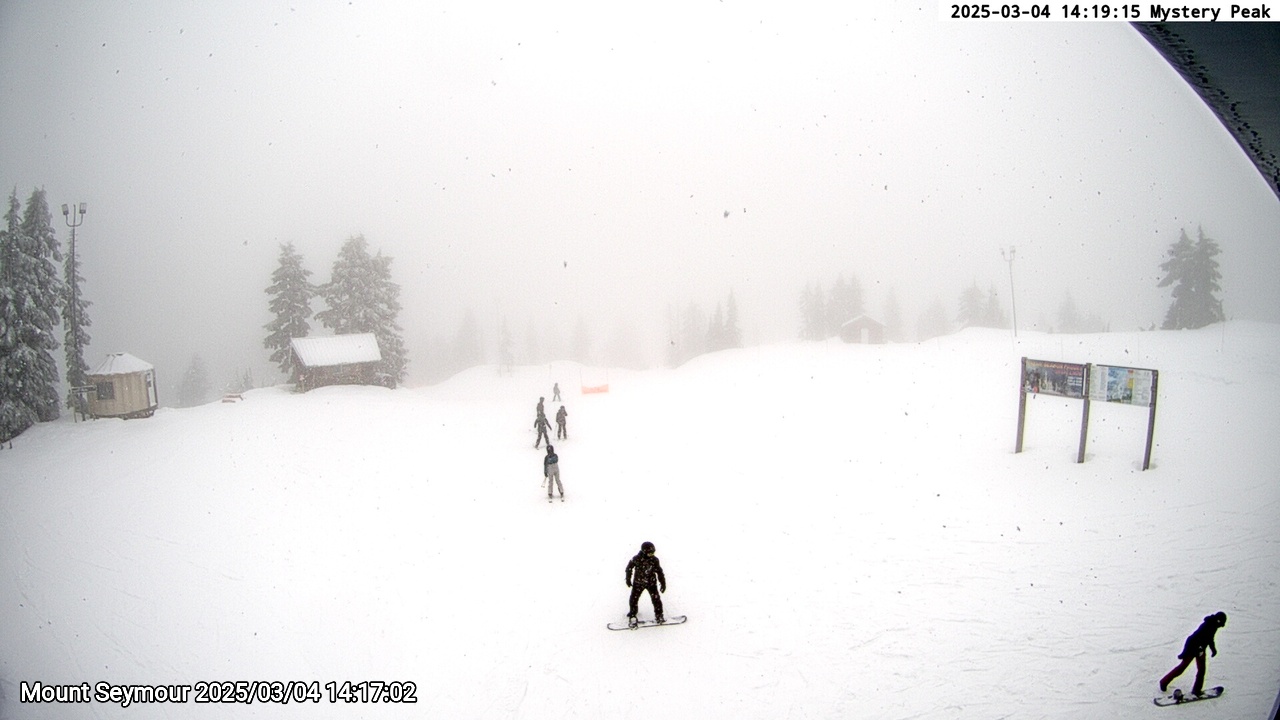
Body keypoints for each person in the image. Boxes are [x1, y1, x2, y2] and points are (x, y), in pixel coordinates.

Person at [1160, 612, 1227, 696]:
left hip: (1201, 649)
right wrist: (1196, 650)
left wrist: (1213, 649)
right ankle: (1163, 682)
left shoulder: (1214, 626)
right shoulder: (1207, 625)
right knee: (1182, 667)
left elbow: (1210, 639)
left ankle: (1196, 690)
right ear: (1218, 621)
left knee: (1201, 670)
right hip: (1192, 648)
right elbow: (1193, 638)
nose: (1220, 626)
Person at [625, 541, 666, 626]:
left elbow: (659, 572)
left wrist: (663, 583)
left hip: (651, 583)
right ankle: (632, 615)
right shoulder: (636, 559)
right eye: (650, 553)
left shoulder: (654, 560)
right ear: (644, 552)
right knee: (634, 599)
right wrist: (628, 579)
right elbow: (629, 568)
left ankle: (659, 615)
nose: (652, 555)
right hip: (638, 583)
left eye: (653, 553)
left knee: (656, 599)